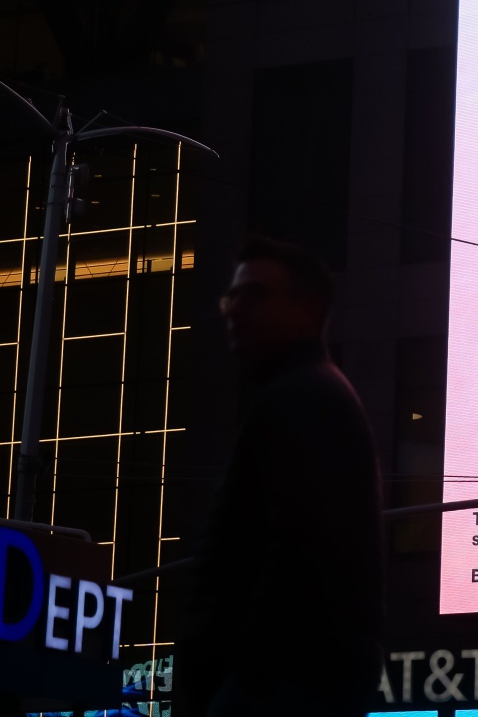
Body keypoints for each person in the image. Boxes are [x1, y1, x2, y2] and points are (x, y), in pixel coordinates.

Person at [175, 236, 384, 717]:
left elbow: (293, 553)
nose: (234, 309)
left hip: (278, 685)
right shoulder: (303, 394)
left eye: (255, 295)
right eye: (233, 296)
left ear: (307, 310)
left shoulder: (305, 399)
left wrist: (237, 672)